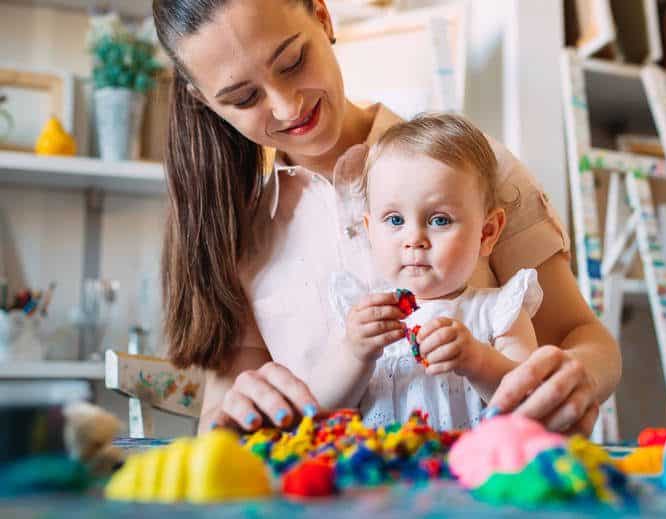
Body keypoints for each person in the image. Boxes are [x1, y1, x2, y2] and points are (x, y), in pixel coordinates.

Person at [152, 0, 621, 436]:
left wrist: (579, 378)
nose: (287, 106)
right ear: (204, 100)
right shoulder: (238, 228)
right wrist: (232, 419)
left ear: (322, 17)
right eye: (243, 97)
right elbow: (221, 414)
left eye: (293, 62)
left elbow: (581, 335)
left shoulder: (474, 169)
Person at [337, 113, 539, 430]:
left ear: (486, 233)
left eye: (439, 220)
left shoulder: (499, 311)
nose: (414, 239)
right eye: (394, 220)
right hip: (379, 470)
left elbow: (532, 401)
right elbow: (321, 406)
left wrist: (477, 361)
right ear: (370, 230)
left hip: (471, 472)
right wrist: (354, 353)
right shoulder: (364, 315)